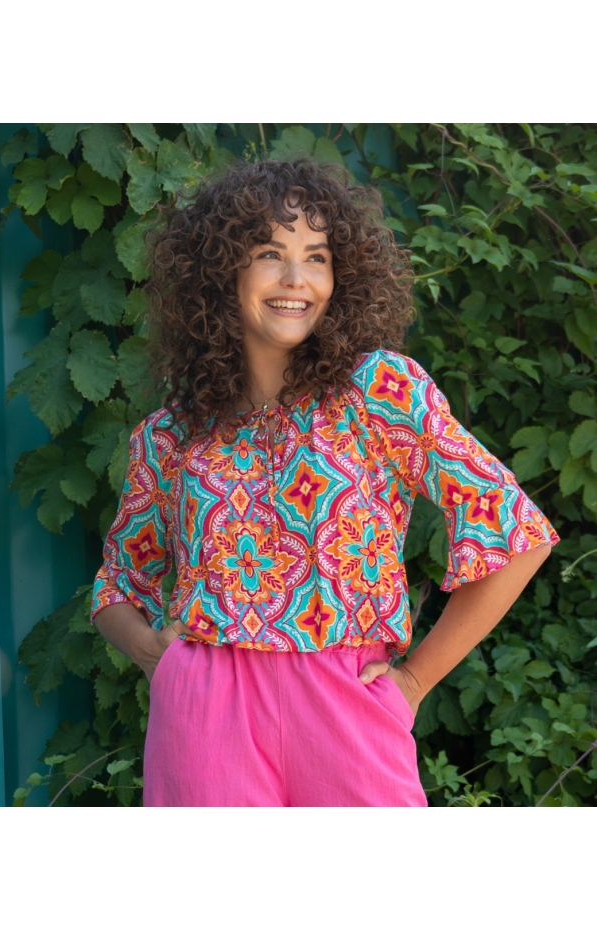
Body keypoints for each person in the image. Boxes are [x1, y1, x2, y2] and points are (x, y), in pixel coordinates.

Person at [91, 158, 559, 807]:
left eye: (317, 257)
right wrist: (156, 658)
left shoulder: (379, 392)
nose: (296, 279)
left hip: (348, 703)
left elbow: (516, 530)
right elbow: (119, 581)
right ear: (221, 271)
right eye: (269, 254)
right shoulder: (169, 435)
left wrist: (414, 683)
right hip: (206, 714)